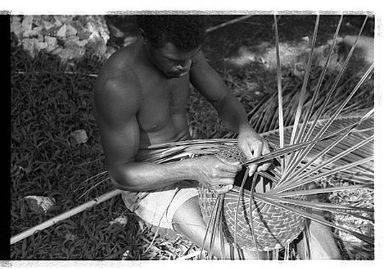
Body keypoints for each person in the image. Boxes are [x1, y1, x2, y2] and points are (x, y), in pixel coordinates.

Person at [94, 15, 339, 259]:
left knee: (294, 191)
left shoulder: (184, 55)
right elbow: (121, 174)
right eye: (173, 60)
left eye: (191, 57)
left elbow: (221, 99)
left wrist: (244, 129)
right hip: (155, 184)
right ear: (144, 37)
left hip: (198, 158)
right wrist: (192, 170)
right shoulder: (118, 84)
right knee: (250, 257)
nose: (184, 68)